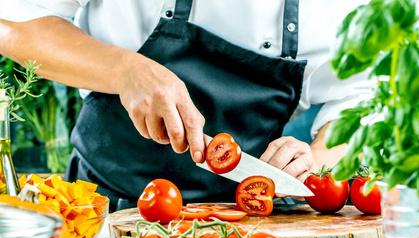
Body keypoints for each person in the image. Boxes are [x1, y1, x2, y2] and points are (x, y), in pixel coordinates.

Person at [0, 0, 373, 211]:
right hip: (103, 210)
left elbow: (361, 101)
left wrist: (316, 159)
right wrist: (125, 69)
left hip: (249, 226)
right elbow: (14, 20)